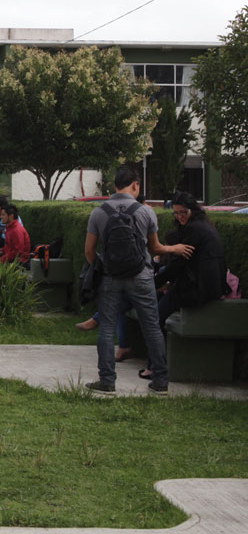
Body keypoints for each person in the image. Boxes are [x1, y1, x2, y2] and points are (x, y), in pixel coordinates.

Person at [84, 165, 192, 397]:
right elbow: (155, 247)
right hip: (141, 277)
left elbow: (89, 251)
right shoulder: (146, 212)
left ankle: (107, 382)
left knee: (107, 328)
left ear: (114, 186)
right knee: (152, 327)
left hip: (111, 278)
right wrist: (174, 248)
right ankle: (160, 382)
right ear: (135, 185)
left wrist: (102, 268)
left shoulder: (98, 213)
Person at [153, 192, 228, 339]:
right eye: (176, 213)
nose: (180, 216)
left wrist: (155, 283)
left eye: (183, 212)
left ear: (192, 210)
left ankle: (159, 353)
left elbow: (178, 263)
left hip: (199, 288)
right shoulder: (204, 225)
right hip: (210, 286)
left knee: (155, 317)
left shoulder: (193, 229)